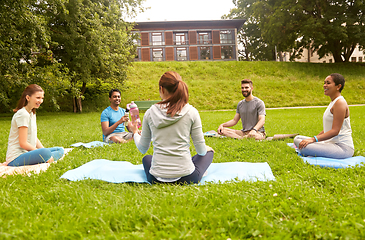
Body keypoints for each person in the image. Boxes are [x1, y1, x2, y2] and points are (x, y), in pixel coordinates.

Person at [128, 71, 214, 184]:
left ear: (162, 89)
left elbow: (143, 149)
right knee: (208, 153)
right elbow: (201, 151)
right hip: (187, 178)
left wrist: (135, 132)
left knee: (147, 158)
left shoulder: (150, 113)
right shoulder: (192, 112)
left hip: (155, 178)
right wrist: (206, 148)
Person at [294, 73, 354, 159]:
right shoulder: (333, 102)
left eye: (328, 83)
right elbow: (328, 129)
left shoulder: (340, 103)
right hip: (329, 143)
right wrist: (313, 139)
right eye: (324, 82)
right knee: (298, 138)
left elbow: (335, 131)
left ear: (338, 86)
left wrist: (313, 140)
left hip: (342, 148)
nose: (324, 85)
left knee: (305, 148)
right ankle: (313, 147)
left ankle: (310, 149)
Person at [5, 84, 64, 166]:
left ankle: (46, 158)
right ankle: (47, 158)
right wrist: (39, 152)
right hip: (16, 158)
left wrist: (42, 150)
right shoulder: (23, 114)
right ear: (28, 98)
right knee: (45, 152)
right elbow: (23, 143)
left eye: (42, 98)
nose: (41, 101)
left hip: (28, 153)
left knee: (60, 149)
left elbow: (33, 137)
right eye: (38, 98)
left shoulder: (32, 113)